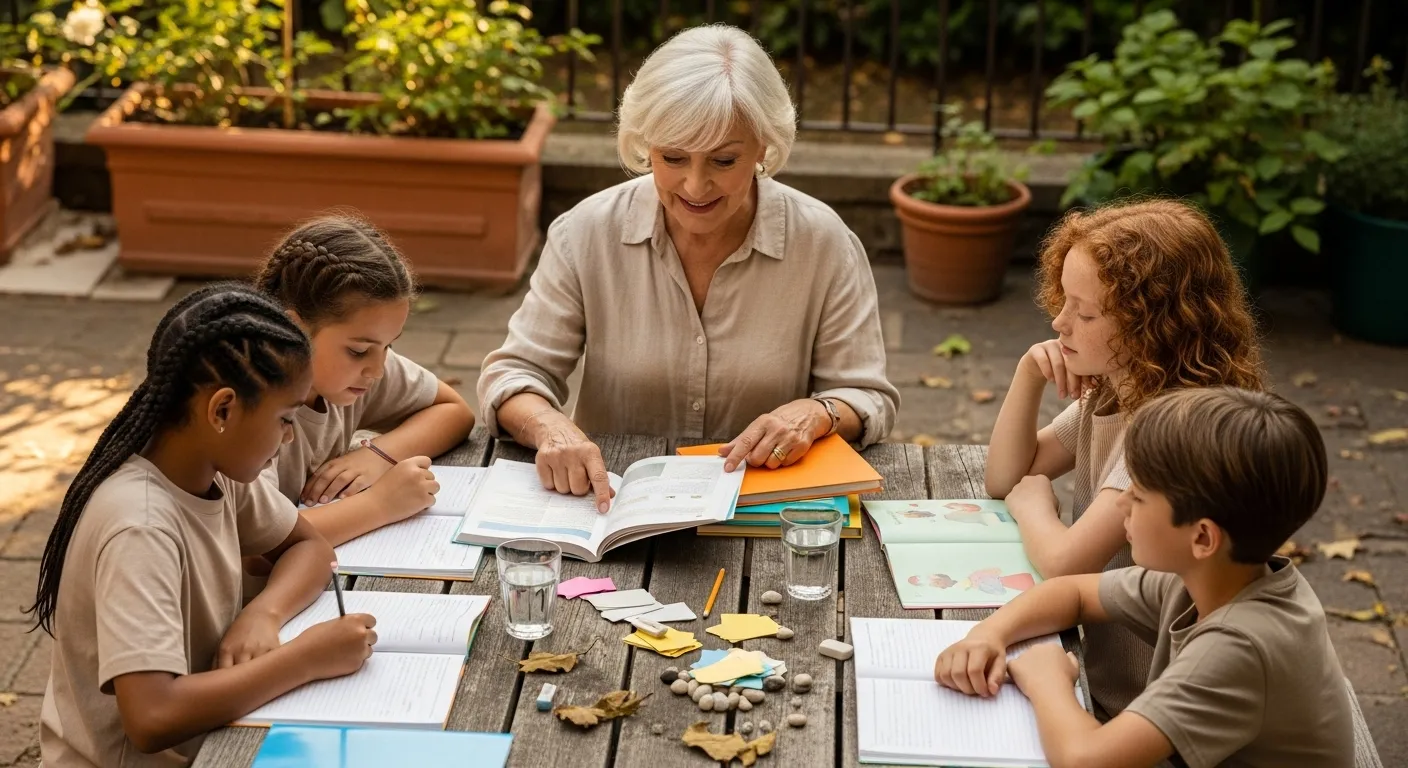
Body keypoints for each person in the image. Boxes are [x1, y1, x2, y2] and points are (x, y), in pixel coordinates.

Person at [477, 24, 899, 514]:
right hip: (611, 510)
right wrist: (550, 428)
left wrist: (818, 413)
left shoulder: (823, 241)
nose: (695, 186)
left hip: (762, 513)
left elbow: (866, 395)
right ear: (645, 145)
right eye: (673, 157)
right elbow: (515, 374)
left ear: (764, 146)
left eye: (723, 160)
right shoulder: (585, 233)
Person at [32, 285, 378, 767]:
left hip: (214, 734)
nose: (290, 435)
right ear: (221, 410)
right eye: (284, 417)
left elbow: (309, 547)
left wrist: (264, 614)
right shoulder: (141, 527)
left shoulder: (213, 469)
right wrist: (304, 659)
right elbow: (152, 717)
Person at [936, 387, 1353, 768]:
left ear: (1202, 536)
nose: (1121, 507)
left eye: (1138, 496)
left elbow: (1084, 760)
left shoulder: (1237, 646)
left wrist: (1047, 682)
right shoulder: (1210, 575)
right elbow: (1073, 593)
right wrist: (988, 634)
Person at [983, 199, 1264, 716]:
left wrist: (1034, 509)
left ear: (1154, 324)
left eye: (1084, 312)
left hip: (1146, 697)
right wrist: (1028, 374)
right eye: (1063, 300)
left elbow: (1065, 562)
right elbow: (1005, 476)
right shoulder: (1118, 389)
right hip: (1108, 673)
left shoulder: (1169, 426)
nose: (1059, 321)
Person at [253, 214, 476, 548]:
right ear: (294, 330)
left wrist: (377, 456)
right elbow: (260, 539)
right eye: (359, 351)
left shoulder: (348, 373)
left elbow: (454, 411)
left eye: (389, 346)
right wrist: (380, 504)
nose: (379, 369)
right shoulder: (248, 405)